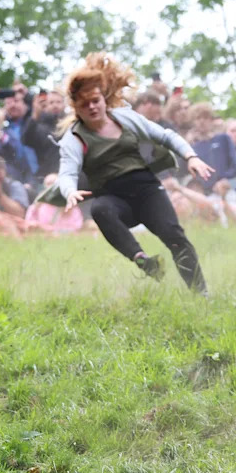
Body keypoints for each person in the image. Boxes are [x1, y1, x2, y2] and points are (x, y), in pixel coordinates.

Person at [57, 53, 214, 293]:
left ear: (103, 99)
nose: (91, 107)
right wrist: (69, 192)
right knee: (99, 209)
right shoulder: (74, 138)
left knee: (175, 237)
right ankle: (142, 260)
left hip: (148, 192)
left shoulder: (125, 118)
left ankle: (202, 294)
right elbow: (67, 173)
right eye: (84, 103)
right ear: (75, 107)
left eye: (95, 100)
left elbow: (165, 136)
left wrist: (191, 157)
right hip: (116, 200)